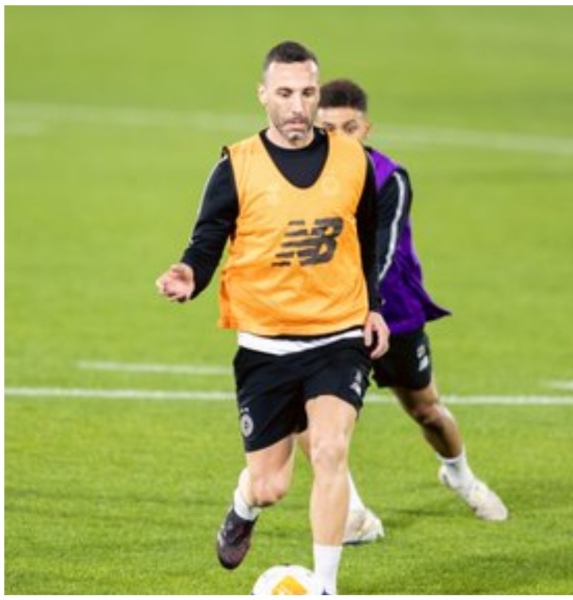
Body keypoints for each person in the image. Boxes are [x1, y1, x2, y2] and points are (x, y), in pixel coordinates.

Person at [155, 43, 389, 595]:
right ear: (263, 96)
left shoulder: (353, 159)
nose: (296, 107)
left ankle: (327, 587)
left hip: (338, 335)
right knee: (271, 485)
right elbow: (208, 236)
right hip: (266, 346)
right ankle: (243, 508)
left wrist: (374, 306)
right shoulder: (236, 165)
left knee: (331, 450)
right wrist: (192, 272)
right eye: (284, 94)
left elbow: (367, 237)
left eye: (307, 93)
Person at [310, 79, 509, 546]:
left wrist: (364, 308)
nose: (338, 137)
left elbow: (381, 252)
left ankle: (459, 476)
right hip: (327, 317)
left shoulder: (388, 178)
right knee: (316, 423)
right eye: (328, 128)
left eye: (349, 127)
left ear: (366, 127)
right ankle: (353, 513)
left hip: (391, 313)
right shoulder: (299, 177)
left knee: (425, 409)